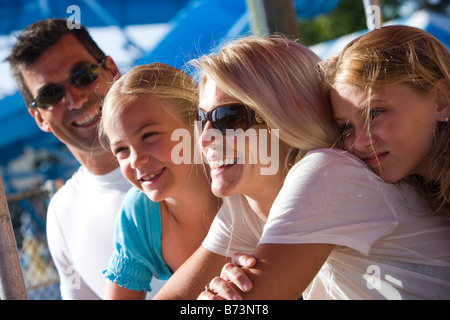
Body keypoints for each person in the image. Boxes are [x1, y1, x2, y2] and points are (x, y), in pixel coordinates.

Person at [153, 35, 450, 300]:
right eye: (201, 119)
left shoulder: (329, 172)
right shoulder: (249, 199)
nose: (204, 139)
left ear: (283, 116)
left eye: (228, 118)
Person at [6, 18, 132, 299]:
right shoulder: (62, 214)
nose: (75, 99)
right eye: (51, 95)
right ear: (39, 117)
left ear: (112, 69)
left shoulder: (197, 157)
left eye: (84, 75)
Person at [99, 63, 224, 299]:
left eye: (149, 136)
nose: (136, 160)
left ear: (197, 124)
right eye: (122, 150)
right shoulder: (140, 213)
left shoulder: (240, 179)